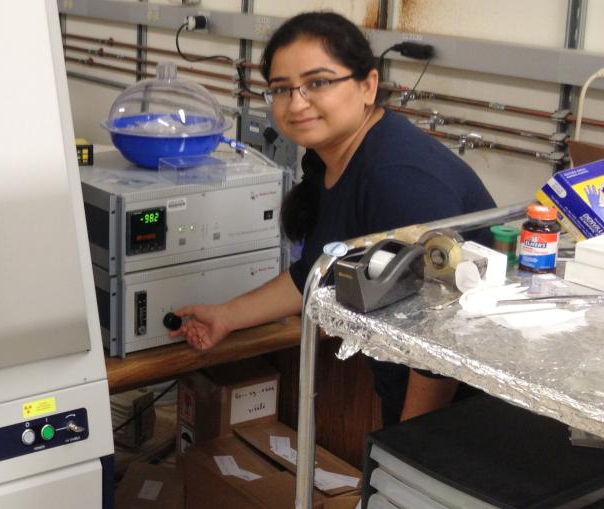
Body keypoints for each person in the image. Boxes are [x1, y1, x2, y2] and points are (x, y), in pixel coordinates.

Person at [170, 11, 496, 426]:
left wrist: (405, 449)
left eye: (317, 83)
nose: (297, 102)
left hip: (463, 412)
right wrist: (227, 316)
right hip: (409, 385)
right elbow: (317, 274)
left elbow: (441, 334)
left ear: (368, 85)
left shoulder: (396, 178)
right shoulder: (334, 160)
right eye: (282, 89)